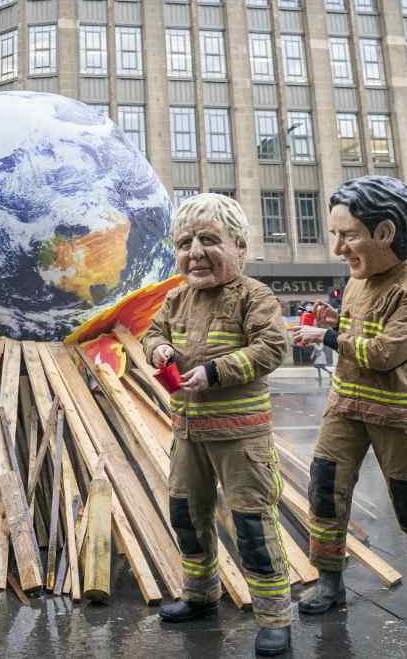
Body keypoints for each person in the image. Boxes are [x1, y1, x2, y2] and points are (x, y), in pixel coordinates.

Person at [290, 175, 407, 625]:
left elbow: (385, 354)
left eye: (347, 235)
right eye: (335, 235)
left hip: (398, 417)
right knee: (325, 493)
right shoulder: (356, 283)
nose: (338, 248)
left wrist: (326, 334)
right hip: (345, 409)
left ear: (385, 233)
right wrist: (336, 320)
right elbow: (358, 332)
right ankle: (329, 580)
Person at [141, 193, 293, 657]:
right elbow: (152, 333)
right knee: (187, 516)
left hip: (241, 439)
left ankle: (274, 616)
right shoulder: (175, 299)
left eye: (210, 240)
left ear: (240, 247)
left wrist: (215, 372)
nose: (196, 252)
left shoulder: (255, 295)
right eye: (185, 242)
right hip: (188, 434)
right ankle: (200, 595)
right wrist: (158, 351)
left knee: (252, 524)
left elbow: (272, 348)